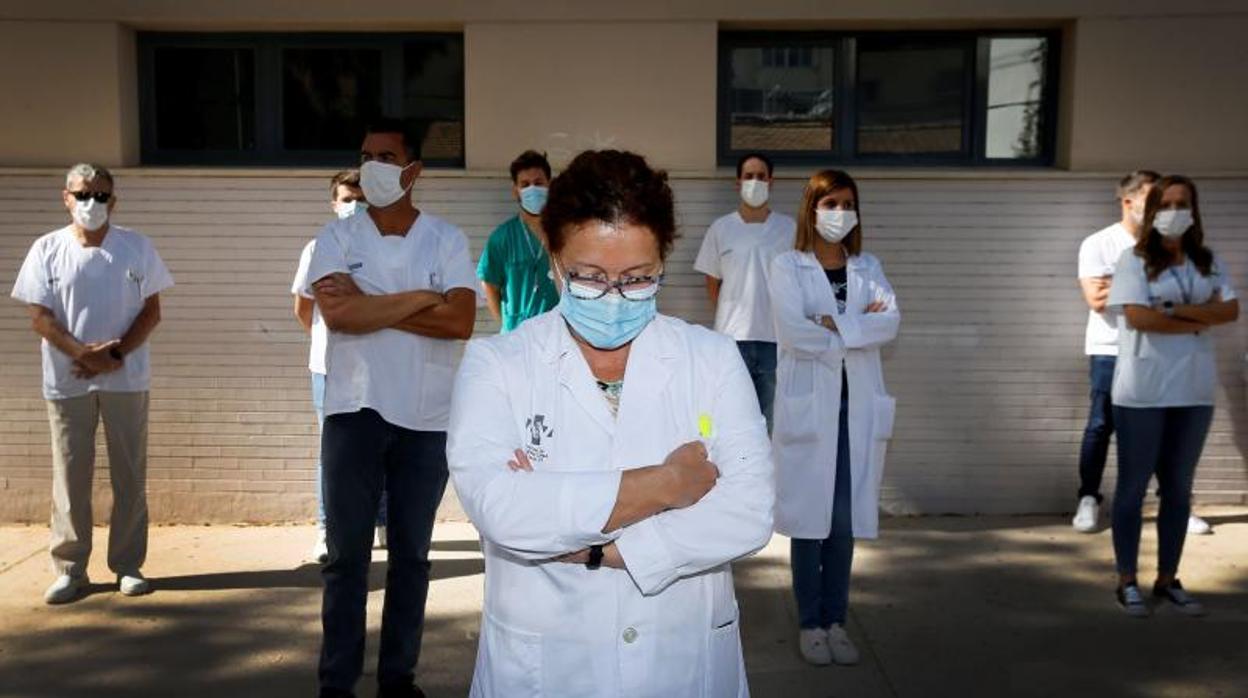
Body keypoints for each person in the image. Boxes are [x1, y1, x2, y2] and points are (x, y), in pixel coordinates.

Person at [447, 150, 774, 696]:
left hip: (682, 655)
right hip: (548, 665)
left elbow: (749, 512)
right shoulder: (497, 365)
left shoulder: (712, 359)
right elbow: (503, 510)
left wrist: (602, 549)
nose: (615, 297)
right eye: (591, 278)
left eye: (639, 279)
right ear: (554, 258)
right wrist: (668, 484)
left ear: (664, 262)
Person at [307, 118, 477, 698]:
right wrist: (423, 298)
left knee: (412, 558)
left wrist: (374, 302)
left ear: (413, 170)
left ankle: (397, 678)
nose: (373, 165)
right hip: (354, 410)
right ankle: (337, 682)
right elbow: (338, 316)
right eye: (365, 156)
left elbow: (460, 322)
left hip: (426, 420)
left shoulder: (446, 238)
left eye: (386, 156)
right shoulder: (337, 237)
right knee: (346, 558)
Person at [10, 163, 173, 604]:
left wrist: (114, 356)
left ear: (113, 201)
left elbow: (151, 311)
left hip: (127, 380)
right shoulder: (46, 249)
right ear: (66, 197)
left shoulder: (136, 247)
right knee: (70, 476)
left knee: (129, 474)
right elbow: (39, 317)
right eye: (82, 194)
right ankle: (70, 568)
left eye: (101, 196)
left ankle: (127, 565)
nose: (91, 204)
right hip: (66, 382)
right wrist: (83, 355)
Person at [769, 169, 899, 666]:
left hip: (857, 408)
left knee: (843, 521)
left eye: (847, 203)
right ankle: (810, 624)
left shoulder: (868, 265)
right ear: (811, 210)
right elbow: (794, 334)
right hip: (812, 408)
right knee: (809, 519)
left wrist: (835, 323)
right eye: (830, 204)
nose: (839, 213)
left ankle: (836, 620)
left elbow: (891, 321)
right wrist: (855, 328)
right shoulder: (787, 266)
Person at [1106, 174, 1238, 617]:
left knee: (1179, 490)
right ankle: (1127, 579)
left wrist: (1172, 309)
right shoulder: (1133, 260)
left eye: (1183, 203)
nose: (1174, 212)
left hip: (1193, 390)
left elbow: (1230, 310)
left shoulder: (1208, 261)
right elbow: (1140, 319)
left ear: (1194, 210)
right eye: (1165, 204)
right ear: (1152, 210)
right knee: (1132, 489)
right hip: (1143, 391)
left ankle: (1167, 578)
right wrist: (1198, 318)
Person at [1074, 171, 1214, 535]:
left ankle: (1175, 503)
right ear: (1128, 201)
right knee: (1101, 425)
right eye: (1152, 201)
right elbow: (1096, 301)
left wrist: (1130, 291)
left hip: (1161, 349)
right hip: (1109, 350)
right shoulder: (1098, 244)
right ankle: (1088, 499)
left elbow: (1196, 299)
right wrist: (1156, 294)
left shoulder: (1172, 246)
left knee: (1165, 428)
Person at [292, 170, 387, 564]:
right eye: (347, 199)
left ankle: (381, 522)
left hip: (379, 366)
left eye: (361, 198)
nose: (355, 206)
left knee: (382, 449)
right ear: (333, 203)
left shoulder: (386, 249)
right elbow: (303, 308)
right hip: (329, 370)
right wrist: (329, 341)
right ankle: (327, 530)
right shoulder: (317, 248)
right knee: (331, 454)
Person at [694, 152, 795, 430]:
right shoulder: (721, 228)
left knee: (771, 424)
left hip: (776, 341)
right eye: (748, 176)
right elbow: (712, 283)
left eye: (761, 176)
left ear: (771, 181)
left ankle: (767, 475)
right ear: (738, 182)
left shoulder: (789, 229)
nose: (755, 181)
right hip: (731, 341)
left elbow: (798, 285)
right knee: (730, 419)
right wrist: (734, 316)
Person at [477, 150, 561, 332]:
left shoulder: (564, 234)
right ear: (516, 191)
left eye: (538, 183)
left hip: (558, 335)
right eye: (525, 184)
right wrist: (505, 325)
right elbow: (489, 284)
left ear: (550, 186)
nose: (532, 189)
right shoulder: (502, 238)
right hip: (517, 337)